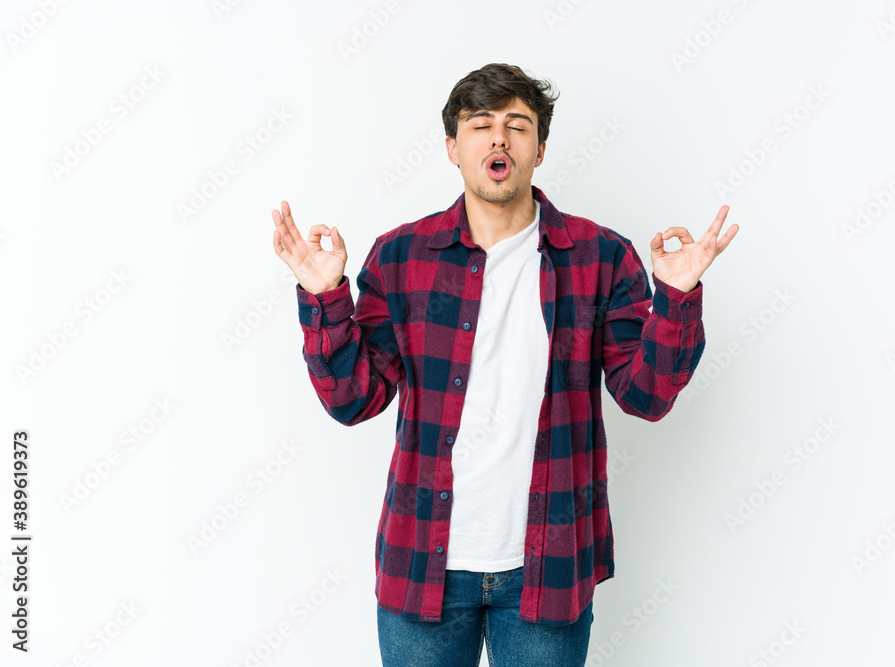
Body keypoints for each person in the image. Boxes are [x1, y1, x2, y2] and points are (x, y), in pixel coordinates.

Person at [271, 63, 737, 666]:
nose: (499, 139)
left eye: (517, 126)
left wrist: (675, 298)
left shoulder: (600, 257)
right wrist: (326, 297)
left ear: (539, 149)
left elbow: (646, 397)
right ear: (452, 147)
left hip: (548, 569)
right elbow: (351, 400)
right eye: (481, 125)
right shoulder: (401, 256)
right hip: (423, 566)